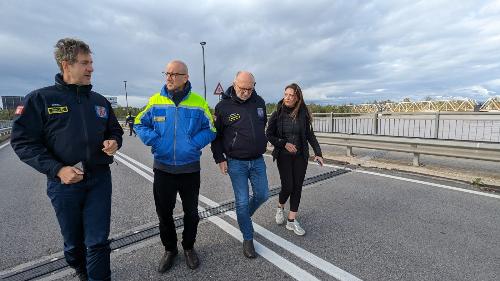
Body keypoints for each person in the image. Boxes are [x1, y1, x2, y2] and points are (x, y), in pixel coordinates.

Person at [10, 38, 123, 281]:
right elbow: (22, 142)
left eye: (91, 62)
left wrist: (114, 142)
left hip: (99, 181)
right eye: (85, 63)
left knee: (98, 241)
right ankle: (80, 269)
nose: (91, 68)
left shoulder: (99, 101)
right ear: (66, 65)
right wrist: (58, 169)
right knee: (73, 245)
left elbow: (115, 130)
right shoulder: (40, 99)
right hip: (64, 185)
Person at [134, 60, 216, 272]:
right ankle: (170, 249)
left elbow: (211, 129)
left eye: (174, 74)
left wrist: (194, 143)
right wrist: (155, 140)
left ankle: (188, 247)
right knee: (164, 213)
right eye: (167, 73)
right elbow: (139, 123)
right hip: (163, 169)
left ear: (186, 77)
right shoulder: (155, 100)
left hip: (189, 169)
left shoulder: (199, 102)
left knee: (192, 213)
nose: (169, 77)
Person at [211, 71, 269, 258]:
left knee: (263, 195)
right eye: (242, 88)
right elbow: (216, 136)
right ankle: (248, 238)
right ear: (234, 84)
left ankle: (243, 216)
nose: (246, 92)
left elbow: (262, 125)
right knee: (242, 201)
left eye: (249, 88)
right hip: (236, 163)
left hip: (258, 160)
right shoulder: (223, 106)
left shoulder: (259, 102)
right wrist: (220, 159)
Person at [266, 83, 323, 236]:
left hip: (301, 156)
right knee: (288, 186)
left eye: (291, 95)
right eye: (286, 94)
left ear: (297, 97)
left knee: (297, 187)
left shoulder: (303, 113)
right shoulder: (277, 112)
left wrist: (318, 152)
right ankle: (280, 207)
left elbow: (310, 135)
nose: (288, 97)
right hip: (283, 156)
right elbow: (269, 134)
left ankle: (291, 221)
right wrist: (284, 144)